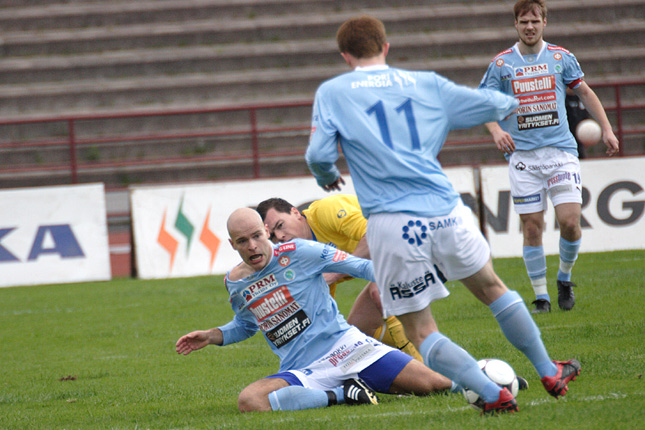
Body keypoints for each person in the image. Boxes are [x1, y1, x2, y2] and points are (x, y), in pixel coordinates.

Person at [305, 14, 581, 414]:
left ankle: (492, 395)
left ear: (345, 55)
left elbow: (318, 155)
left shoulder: (333, 92)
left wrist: (327, 174)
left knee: (421, 329)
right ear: (386, 47)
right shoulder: (425, 83)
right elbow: (497, 103)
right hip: (448, 210)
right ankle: (548, 369)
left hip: (393, 222)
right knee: (492, 288)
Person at [176, 208, 454, 413]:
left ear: (266, 230)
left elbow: (360, 266)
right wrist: (212, 336)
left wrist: (410, 273)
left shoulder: (300, 252)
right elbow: (247, 324)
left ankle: (487, 379)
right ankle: (344, 394)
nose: (251, 246)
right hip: (303, 370)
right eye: (241, 241)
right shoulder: (235, 283)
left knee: (438, 385)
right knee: (250, 401)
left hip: (349, 348)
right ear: (231, 244)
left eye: (256, 236)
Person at [479, 0, 619, 313]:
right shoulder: (502, 64)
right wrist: (495, 131)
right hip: (523, 158)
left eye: (535, 21)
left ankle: (564, 278)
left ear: (544, 22)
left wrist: (606, 129)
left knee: (570, 222)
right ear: (515, 24)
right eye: (524, 22)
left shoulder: (560, 57)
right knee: (532, 228)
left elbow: (585, 92)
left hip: (561, 152)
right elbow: (484, 102)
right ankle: (541, 296)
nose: (529, 27)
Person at [256, 195, 434, 362]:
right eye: (272, 236)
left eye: (280, 225)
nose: (279, 237)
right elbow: (324, 309)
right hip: (391, 258)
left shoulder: (325, 211)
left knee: (379, 293)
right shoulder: (299, 256)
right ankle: (412, 369)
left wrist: (336, 272)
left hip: (413, 238)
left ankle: (429, 370)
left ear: (295, 213)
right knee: (358, 334)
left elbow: (374, 235)